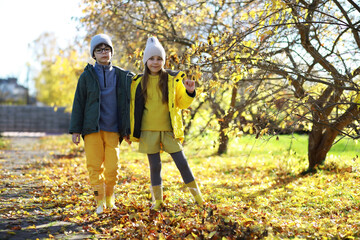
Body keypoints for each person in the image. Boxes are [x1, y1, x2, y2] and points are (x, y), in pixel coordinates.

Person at [128, 36, 204, 210]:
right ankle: (158, 201)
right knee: (155, 167)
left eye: (159, 59)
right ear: (145, 60)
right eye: (152, 59)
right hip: (148, 130)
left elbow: (182, 103)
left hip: (169, 130)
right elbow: (132, 108)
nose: (155, 62)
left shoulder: (172, 79)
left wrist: (190, 91)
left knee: (182, 163)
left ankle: (198, 198)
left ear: (164, 61)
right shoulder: (137, 82)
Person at [69, 33, 134, 214]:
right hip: (92, 129)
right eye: (99, 49)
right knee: (94, 167)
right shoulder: (86, 76)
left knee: (113, 168)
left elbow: (131, 102)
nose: (104, 52)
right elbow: (78, 103)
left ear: (111, 52)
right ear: (94, 54)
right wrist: (75, 130)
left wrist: (128, 129)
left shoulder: (123, 76)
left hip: (113, 129)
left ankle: (110, 198)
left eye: (107, 49)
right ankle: (99, 202)